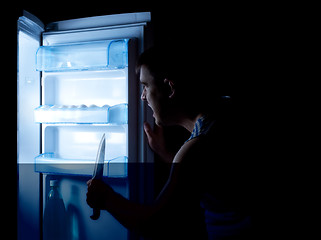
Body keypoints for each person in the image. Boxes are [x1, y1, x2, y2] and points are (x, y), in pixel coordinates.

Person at [86, 46, 254, 239]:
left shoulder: (197, 147)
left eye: (145, 86)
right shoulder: (225, 108)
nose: (142, 97)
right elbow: (208, 176)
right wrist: (167, 155)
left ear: (169, 88)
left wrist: (106, 198)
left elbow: (153, 223)